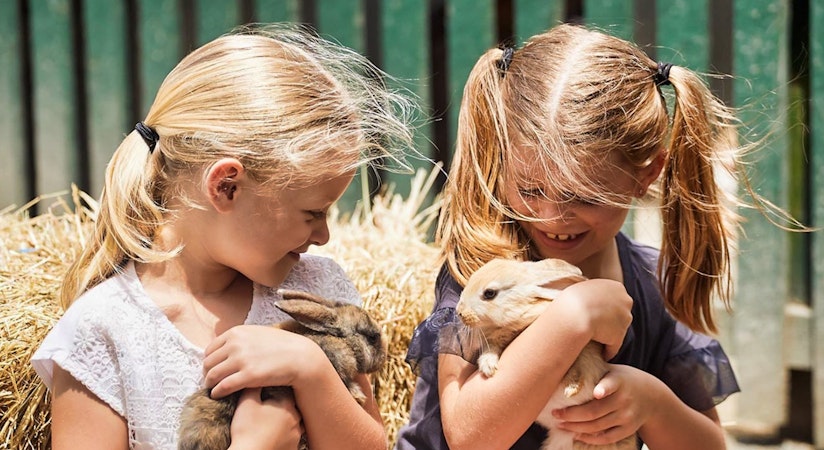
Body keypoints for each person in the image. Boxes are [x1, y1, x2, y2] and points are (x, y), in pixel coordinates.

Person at [30, 23, 414, 450]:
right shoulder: (104, 332)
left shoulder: (317, 290)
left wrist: (312, 370)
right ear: (226, 186)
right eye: (313, 213)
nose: (324, 235)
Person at [396, 23, 746, 450]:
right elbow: (471, 436)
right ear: (502, 158)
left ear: (646, 175)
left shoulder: (652, 284)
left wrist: (652, 405)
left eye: (583, 195)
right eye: (530, 189)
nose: (552, 216)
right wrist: (573, 317)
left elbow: (710, 445)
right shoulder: (480, 273)